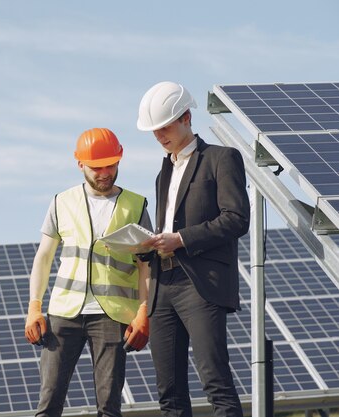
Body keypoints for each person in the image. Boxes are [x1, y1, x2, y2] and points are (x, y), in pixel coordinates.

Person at [136, 81, 250, 417]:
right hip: (162, 286)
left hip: (200, 284)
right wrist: (149, 244)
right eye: (154, 131)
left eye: (165, 127)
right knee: (169, 394)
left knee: (216, 383)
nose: (159, 136)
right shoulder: (163, 172)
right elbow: (167, 226)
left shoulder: (221, 158)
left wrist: (181, 238)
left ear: (186, 117)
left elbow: (236, 219)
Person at [24, 127, 152, 417]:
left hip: (114, 315)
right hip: (64, 313)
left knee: (109, 407)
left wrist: (144, 311)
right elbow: (44, 257)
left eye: (111, 165)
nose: (104, 172)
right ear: (79, 163)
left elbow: (146, 263)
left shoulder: (136, 204)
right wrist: (34, 307)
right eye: (96, 167)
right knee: (48, 404)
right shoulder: (61, 202)